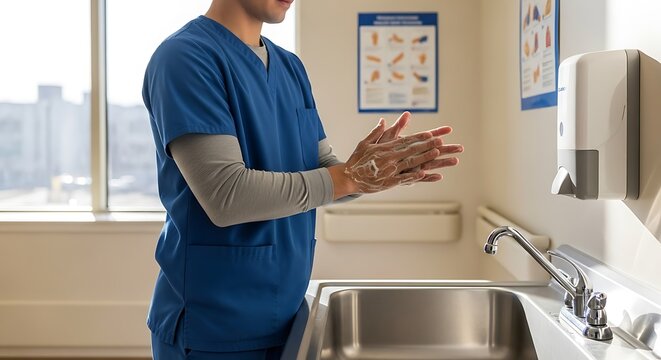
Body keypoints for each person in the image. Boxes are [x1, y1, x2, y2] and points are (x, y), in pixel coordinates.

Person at [142, 0, 464, 358]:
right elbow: (226, 196)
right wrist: (351, 177)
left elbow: (325, 167)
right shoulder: (186, 58)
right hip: (213, 326)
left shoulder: (290, 67)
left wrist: (379, 172)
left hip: (286, 318)